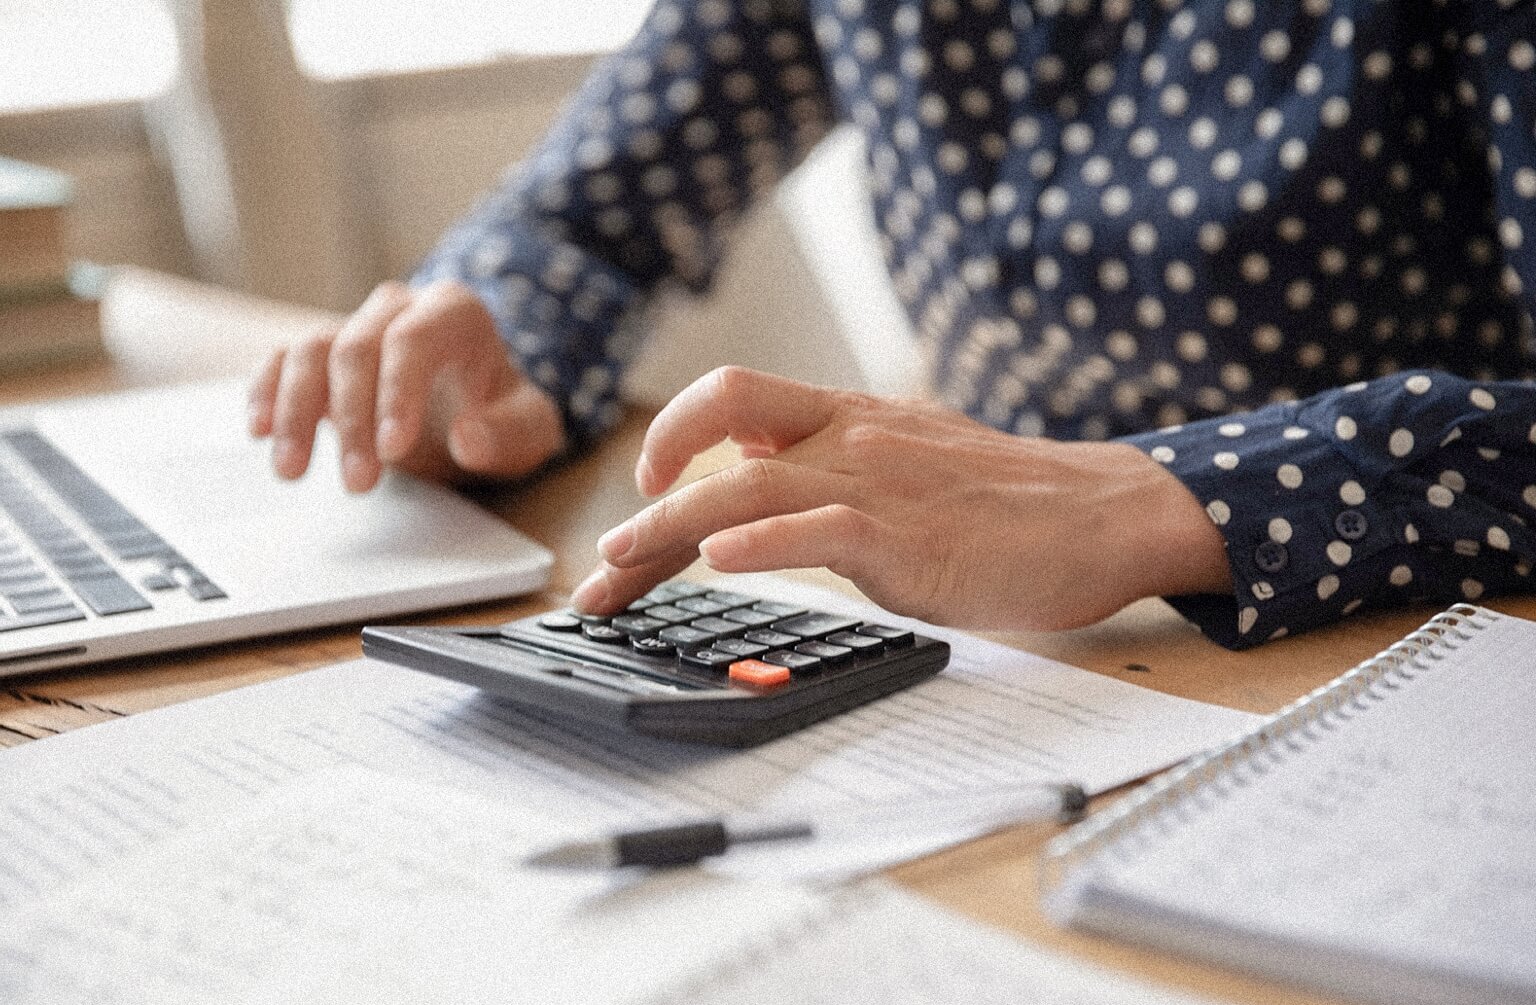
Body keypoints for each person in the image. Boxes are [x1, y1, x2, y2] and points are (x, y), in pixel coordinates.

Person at [249, 0, 1536, 649]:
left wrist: (1155, 494)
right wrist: (491, 347)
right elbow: (586, 218)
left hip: (1391, 651)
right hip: (998, 648)